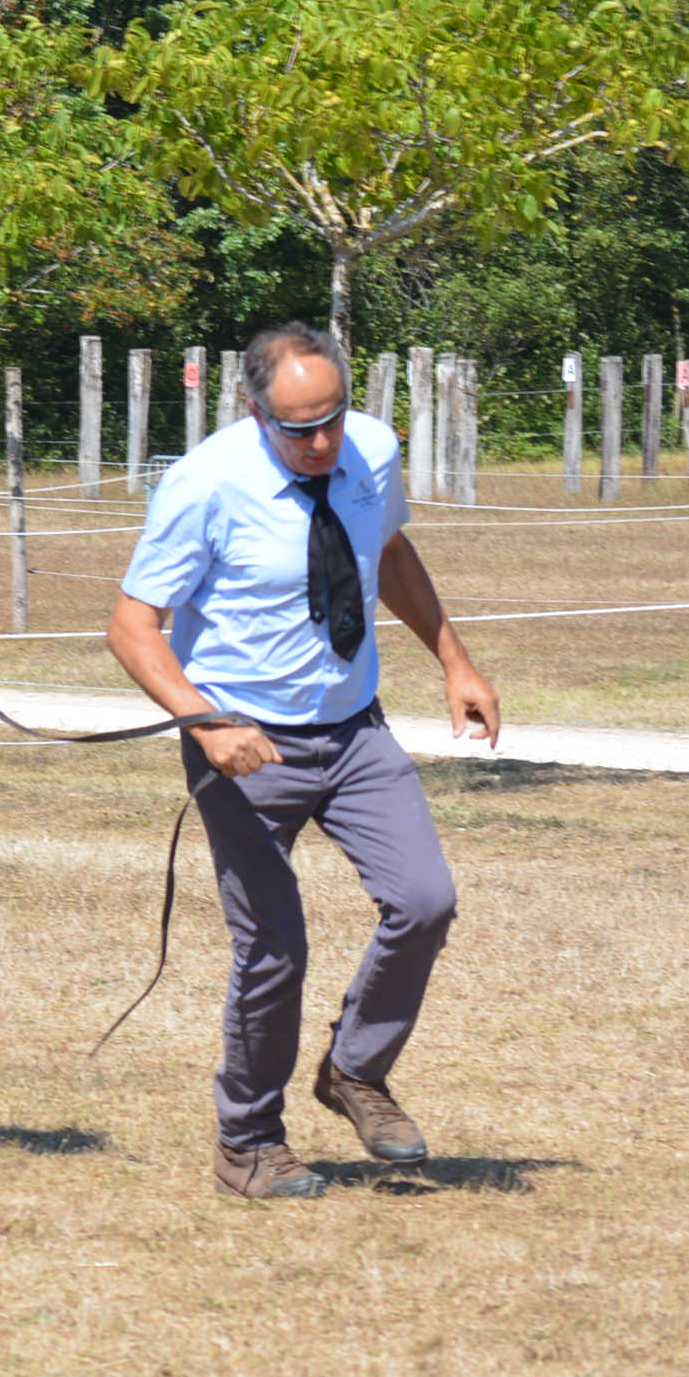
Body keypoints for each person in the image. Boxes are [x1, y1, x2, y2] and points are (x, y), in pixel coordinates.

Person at [106, 323, 502, 1199]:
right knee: (273, 948)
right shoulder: (204, 484)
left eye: (331, 418)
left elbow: (387, 554)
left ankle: (355, 1071)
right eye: (298, 429)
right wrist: (206, 722)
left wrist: (455, 661)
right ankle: (247, 1143)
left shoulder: (371, 452)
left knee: (425, 899)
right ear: (255, 412)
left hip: (353, 730)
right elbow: (132, 627)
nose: (321, 442)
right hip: (243, 747)